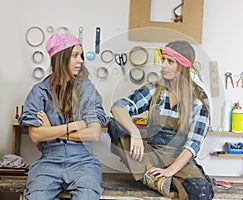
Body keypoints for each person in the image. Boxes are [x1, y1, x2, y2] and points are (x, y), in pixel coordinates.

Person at [108, 40, 214, 200]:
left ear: (183, 66)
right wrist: (135, 132)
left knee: (201, 191)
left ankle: (157, 178)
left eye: (170, 61)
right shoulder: (154, 91)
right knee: (115, 125)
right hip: (150, 154)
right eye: (163, 59)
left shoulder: (198, 100)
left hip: (180, 159)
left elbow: (193, 145)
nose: (163, 65)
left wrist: (170, 171)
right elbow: (118, 107)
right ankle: (153, 176)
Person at [18, 33, 107, 200]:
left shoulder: (87, 90)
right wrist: (75, 126)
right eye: (75, 56)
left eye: (80, 55)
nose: (81, 60)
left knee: (87, 196)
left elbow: (93, 133)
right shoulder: (39, 92)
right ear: (60, 59)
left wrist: (50, 131)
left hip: (84, 163)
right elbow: (36, 135)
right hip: (49, 162)